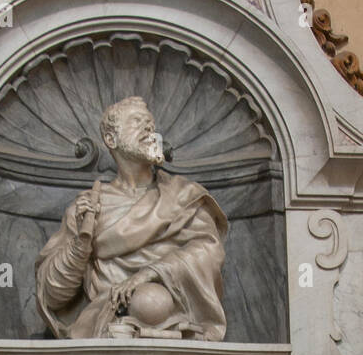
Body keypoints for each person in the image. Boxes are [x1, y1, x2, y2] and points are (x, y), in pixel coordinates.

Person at [35, 96, 228, 340]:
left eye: (151, 123)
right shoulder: (90, 206)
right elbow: (53, 294)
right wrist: (81, 244)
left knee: (151, 301)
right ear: (111, 139)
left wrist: (150, 273)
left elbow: (209, 253)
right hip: (106, 324)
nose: (150, 128)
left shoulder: (183, 196)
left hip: (177, 319)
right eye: (138, 122)